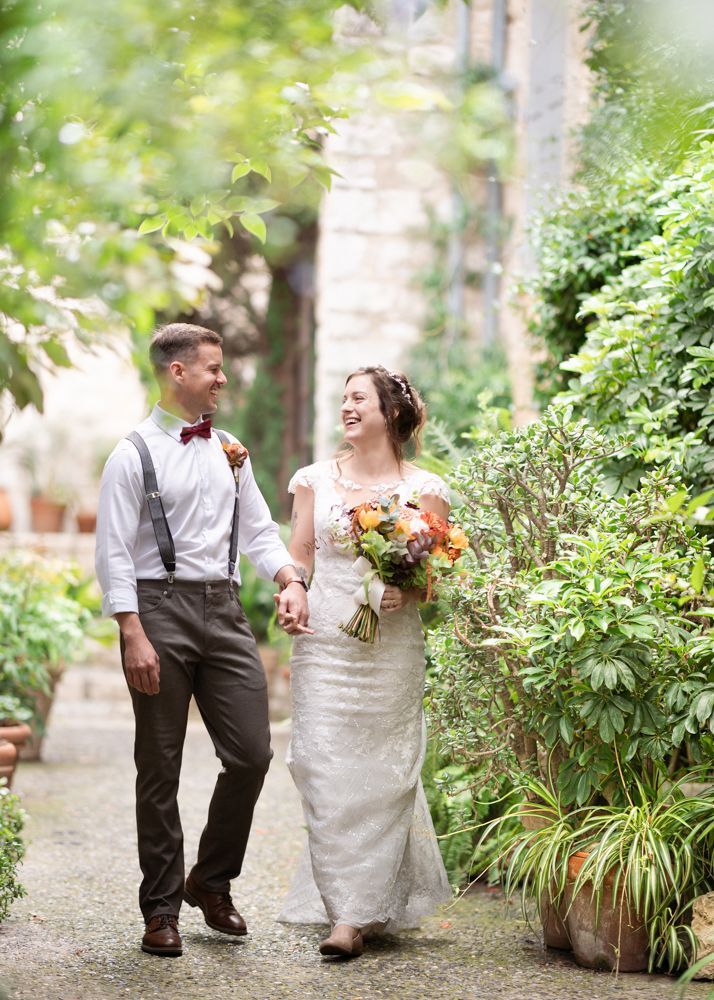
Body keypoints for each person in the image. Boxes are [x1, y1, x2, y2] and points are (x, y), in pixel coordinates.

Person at [95, 323, 310, 958]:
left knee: (251, 754)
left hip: (223, 610)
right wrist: (131, 632)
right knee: (158, 765)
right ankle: (160, 908)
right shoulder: (130, 454)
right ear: (177, 373)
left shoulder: (229, 451)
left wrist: (289, 577)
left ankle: (209, 882)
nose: (222, 378)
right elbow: (111, 552)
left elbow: (260, 531)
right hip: (158, 610)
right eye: (212, 368)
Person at [277, 365, 452, 958]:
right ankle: (347, 903)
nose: (347, 407)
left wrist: (410, 588)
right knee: (319, 767)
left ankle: (353, 916)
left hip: (390, 653)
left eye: (359, 399)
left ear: (391, 413)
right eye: (344, 399)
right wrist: (292, 589)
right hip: (325, 642)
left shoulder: (424, 489)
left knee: (384, 776)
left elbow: (435, 576)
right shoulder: (314, 480)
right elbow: (300, 554)